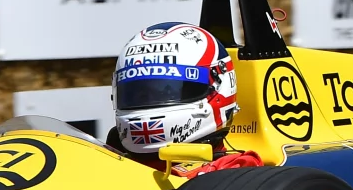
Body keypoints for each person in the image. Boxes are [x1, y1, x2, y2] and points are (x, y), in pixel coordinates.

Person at [108, 22, 263, 176]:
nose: (148, 101)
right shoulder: (108, 163)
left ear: (218, 88)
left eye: (168, 92)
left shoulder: (235, 172)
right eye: (139, 94)